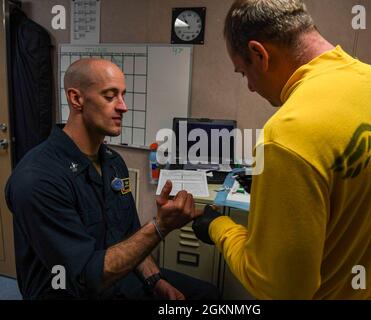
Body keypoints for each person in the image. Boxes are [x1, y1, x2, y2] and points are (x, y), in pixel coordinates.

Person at [193, 0, 371, 299]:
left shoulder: (287, 136)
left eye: (242, 73)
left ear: (258, 54)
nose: (249, 87)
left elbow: (281, 289)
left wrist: (217, 226)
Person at [5, 58, 219, 300]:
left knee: (207, 294)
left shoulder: (113, 163)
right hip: (71, 290)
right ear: (77, 99)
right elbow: (84, 277)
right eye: (110, 96)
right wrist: (160, 226)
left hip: (114, 278)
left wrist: (155, 281)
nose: (123, 107)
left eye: (123, 95)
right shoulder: (37, 179)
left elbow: (128, 236)